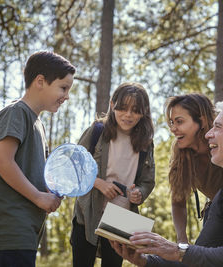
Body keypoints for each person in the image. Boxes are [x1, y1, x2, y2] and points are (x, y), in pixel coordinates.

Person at [111, 100, 223, 267]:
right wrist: (146, 260)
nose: (208, 134)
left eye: (218, 127)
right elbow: (198, 257)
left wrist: (178, 251)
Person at [0, 51, 75, 267]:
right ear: (40, 81)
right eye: (63, 87)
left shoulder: (37, 124)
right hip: (8, 222)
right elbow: (2, 162)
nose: (66, 96)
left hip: (25, 224)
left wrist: (50, 191)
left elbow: (34, 170)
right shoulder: (16, 112)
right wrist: (39, 198)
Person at [71, 82, 155, 267]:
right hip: (88, 213)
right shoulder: (97, 132)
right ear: (112, 105)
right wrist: (99, 183)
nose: (128, 115)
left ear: (144, 111)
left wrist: (139, 193)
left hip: (121, 218)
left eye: (135, 110)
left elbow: (147, 181)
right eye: (123, 108)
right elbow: (74, 165)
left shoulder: (145, 143)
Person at [165, 94, 223, 243]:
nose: (173, 128)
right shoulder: (181, 153)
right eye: (172, 122)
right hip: (214, 214)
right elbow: (178, 201)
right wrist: (182, 239)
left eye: (179, 122)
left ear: (202, 121)